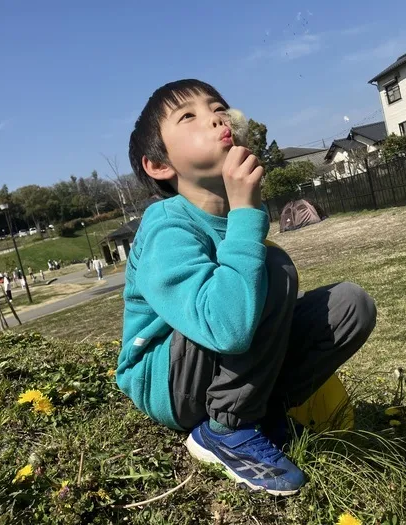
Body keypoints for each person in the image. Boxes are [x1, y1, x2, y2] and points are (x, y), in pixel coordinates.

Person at [115, 80, 377, 496]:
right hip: (168, 378)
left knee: (350, 305)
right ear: (159, 165)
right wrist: (245, 215)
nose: (217, 117)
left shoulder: (239, 215)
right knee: (268, 269)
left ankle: (265, 413)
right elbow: (225, 326)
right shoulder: (167, 224)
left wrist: (243, 214)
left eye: (219, 107)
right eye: (189, 116)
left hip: (216, 357)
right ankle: (225, 430)